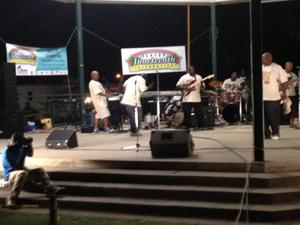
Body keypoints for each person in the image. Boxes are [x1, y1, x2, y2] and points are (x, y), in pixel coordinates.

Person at [1, 133, 59, 208]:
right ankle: (11, 199)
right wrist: (25, 171)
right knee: (23, 173)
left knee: (40, 170)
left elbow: (30, 154)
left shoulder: (21, 147)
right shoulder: (7, 152)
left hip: (22, 173)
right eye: (20, 143)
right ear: (15, 142)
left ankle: (49, 189)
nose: (21, 145)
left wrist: (29, 144)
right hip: (10, 175)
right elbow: (14, 167)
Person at [262, 52, 288, 140]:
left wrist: (284, 94)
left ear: (269, 59)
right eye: (262, 59)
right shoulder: (260, 67)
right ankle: (266, 133)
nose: (262, 60)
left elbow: (284, 82)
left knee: (273, 117)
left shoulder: (277, 67)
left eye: (264, 59)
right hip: (261, 97)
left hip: (273, 97)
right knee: (262, 118)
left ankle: (275, 133)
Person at [285, 61, 299, 127]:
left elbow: (295, 85)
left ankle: (293, 122)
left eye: (291, 66)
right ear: (285, 66)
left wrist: (297, 83)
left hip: (292, 94)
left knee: (294, 108)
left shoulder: (294, 75)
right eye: (289, 66)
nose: (290, 67)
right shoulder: (281, 73)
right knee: (285, 109)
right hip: (284, 94)